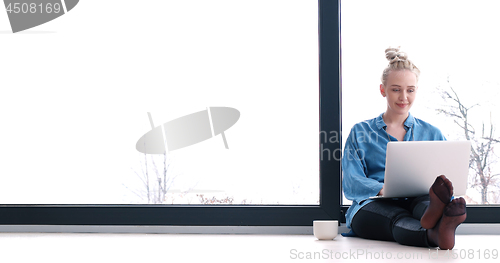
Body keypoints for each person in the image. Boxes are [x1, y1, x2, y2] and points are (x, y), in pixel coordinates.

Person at [342, 47, 467, 250]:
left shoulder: (432, 133)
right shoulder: (360, 131)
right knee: (396, 218)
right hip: (373, 204)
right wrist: (382, 189)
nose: (403, 97)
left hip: (418, 199)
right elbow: (351, 180)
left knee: (425, 205)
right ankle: (435, 234)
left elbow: (447, 175)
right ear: (383, 90)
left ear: (416, 90)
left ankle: (435, 221)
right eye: (396, 89)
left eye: (410, 90)